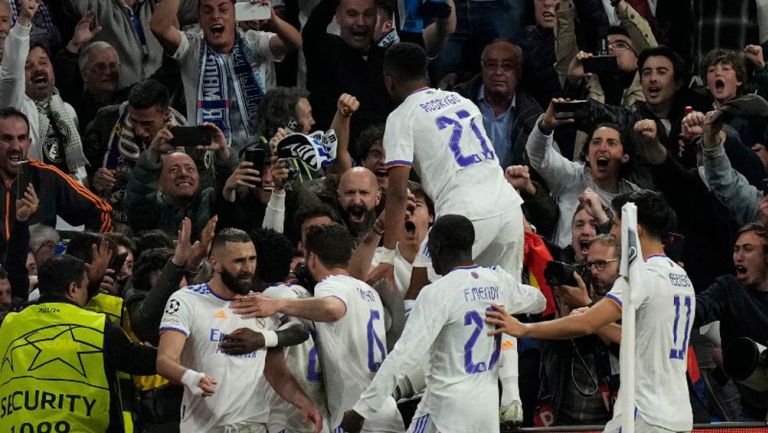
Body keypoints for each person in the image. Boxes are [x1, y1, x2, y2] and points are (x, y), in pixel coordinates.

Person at [486, 189, 695, 433]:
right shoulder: (680, 276)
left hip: (644, 415)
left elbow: (587, 323)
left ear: (634, 230)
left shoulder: (641, 275)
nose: (613, 233)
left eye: (616, 225)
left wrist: (523, 328)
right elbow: (640, 337)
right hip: (678, 413)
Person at [340, 214, 546, 433]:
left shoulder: (438, 292)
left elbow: (403, 356)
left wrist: (362, 410)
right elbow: (539, 301)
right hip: (485, 414)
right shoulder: (498, 281)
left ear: (436, 248)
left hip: (445, 411)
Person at [228, 223, 406, 432]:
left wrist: (276, 305)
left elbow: (332, 308)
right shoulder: (369, 292)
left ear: (311, 258)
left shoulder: (328, 286)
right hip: (385, 409)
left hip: (357, 415)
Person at [157, 228, 323, 432]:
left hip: (253, 425)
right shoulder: (186, 300)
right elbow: (164, 361)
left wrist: (305, 403)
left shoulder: (260, 305)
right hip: (203, 426)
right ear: (215, 263)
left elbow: (277, 373)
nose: (248, 268)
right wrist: (192, 378)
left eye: (252, 259)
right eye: (238, 261)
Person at [0, 254, 157, 433]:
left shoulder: (10, 324)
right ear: (73, 288)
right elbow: (138, 360)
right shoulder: (97, 325)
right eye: (86, 287)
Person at [150, 0, 302, 151]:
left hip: (254, 150)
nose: (215, 16)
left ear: (235, 16)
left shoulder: (253, 42)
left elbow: (294, 41)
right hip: (205, 151)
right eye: (207, 11)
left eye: (223, 10)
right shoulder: (191, 46)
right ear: (200, 18)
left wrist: (272, 19)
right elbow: (159, 27)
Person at [527, 99, 637, 248]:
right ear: (586, 154)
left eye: (611, 143)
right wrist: (545, 126)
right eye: (596, 142)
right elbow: (538, 155)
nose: (602, 148)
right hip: (565, 264)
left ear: (625, 157)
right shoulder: (572, 176)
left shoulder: (633, 198)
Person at [84, 79, 187, 234]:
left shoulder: (185, 139)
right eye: (134, 121)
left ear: (166, 113)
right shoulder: (107, 120)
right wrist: (95, 179)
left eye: (147, 124)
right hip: (109, 226)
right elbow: (85, 169)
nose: (139, 131)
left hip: (160, 229)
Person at [0, 0, 89, 180]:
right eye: (28, 66)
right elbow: (11, 75)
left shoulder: (67, 111)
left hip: (69, 197)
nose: (38, 69)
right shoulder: (17, 108)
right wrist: (25, 19)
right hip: (36, 197)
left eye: (43, 62)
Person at [0, 107, 112, 244]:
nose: (16, 147)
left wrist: (89, 253)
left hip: (34, 263)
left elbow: (101, 212)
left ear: (29, 143)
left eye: (22, 138)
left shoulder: (46, 177)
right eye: (7, 138)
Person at [694, 222, 768, 421]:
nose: (739, 256)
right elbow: (698, 309)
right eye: (736, 250)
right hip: (746, 412)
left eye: (748, 249)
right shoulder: (728, 288)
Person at [302, 0, 391, 153]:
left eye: (368, 14)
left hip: (380, 157)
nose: (361, 22)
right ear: (337, 17)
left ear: (377, 18)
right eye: (352, 14)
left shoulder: (386, 59)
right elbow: (313, 28)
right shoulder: (324, 49)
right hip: (334, 160)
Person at [124, 123, 237, 239]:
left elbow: (230, 197)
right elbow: (139, 199)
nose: (183, 173)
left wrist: (223, 152)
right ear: (159, 182)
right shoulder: (153, 210)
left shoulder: (209, 201)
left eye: (190, 169)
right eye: (173, 170)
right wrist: (152, 153)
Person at [453, 40, 544, 168]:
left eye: (507, 66)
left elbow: (545, 167)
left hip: (511, 186)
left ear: (518, 72)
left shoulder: (533, 116)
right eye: (491, 65)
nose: (498, 72)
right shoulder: (456, 102)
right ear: (482, 68)